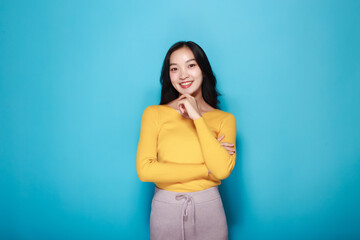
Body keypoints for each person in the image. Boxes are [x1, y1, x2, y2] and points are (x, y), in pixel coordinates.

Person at [136, 41, 236, 240]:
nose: (183, 75)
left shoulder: (225, 119)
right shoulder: (154, 114)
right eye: (174, 68)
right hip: (165, 210)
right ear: (169, 75)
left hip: (210, 211)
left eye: (191, 65)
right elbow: (145, 170)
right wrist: (205, 169)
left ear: (203, 70)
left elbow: (222, 171)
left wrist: (197, 117)